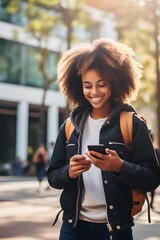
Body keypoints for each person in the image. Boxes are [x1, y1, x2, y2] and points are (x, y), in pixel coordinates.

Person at [47, 38, 160, 240]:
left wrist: (120, 166)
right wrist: (69, 172)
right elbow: (53, 176)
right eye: (87, 86)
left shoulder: (133, 124)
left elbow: (152, 178)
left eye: (101, 84)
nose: (94, 92)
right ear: (78, 86)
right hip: (73, 228)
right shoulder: (69, 126)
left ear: (114, 83)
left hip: (115, 229)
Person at [150, 133, 160, 209]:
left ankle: (151, 203)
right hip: (157, 169)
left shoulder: (149, 148)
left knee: (153, 188)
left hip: (153, 170)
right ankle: (151, 203)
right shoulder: (156, 148)